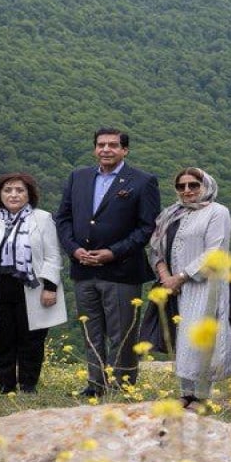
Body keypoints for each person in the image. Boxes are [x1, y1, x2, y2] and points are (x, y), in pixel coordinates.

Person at [55, 128, 160, 397]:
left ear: (125, 150)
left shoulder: (142, 181)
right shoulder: (78, 177)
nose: (106, 149)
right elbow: (63, 219)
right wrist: (74, 249)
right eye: (101, 145)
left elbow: (147, 227)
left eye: (113, 145)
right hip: (83, 269)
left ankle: (123, 387)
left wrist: (113, 252)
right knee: (91, 333)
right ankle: (95, 385)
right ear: (94, 149)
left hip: (121, 271)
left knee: (121, 335)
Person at [148, 168, 231, 405]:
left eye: (193, 185)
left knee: (200, 339)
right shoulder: (171, 214)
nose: (187, 190)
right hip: (172, 286)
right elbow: (155, 248)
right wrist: (165, 277)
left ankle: (201, 397)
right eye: (181, 186)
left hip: (204, 285)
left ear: (206, 186)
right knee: (182, 339)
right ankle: (185, 394)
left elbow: (215, 251)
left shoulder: (217, 212)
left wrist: (180, 276)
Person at [0, 173, 67, 393]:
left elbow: (53, 255)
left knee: (31, 339)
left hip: (32, 287)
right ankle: (5, 385)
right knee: (1, 339)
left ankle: (28, 385)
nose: (13, 195)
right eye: (8, 190)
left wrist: (50, 287)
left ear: (29, 194)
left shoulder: (42, 218)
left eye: (20, 190)